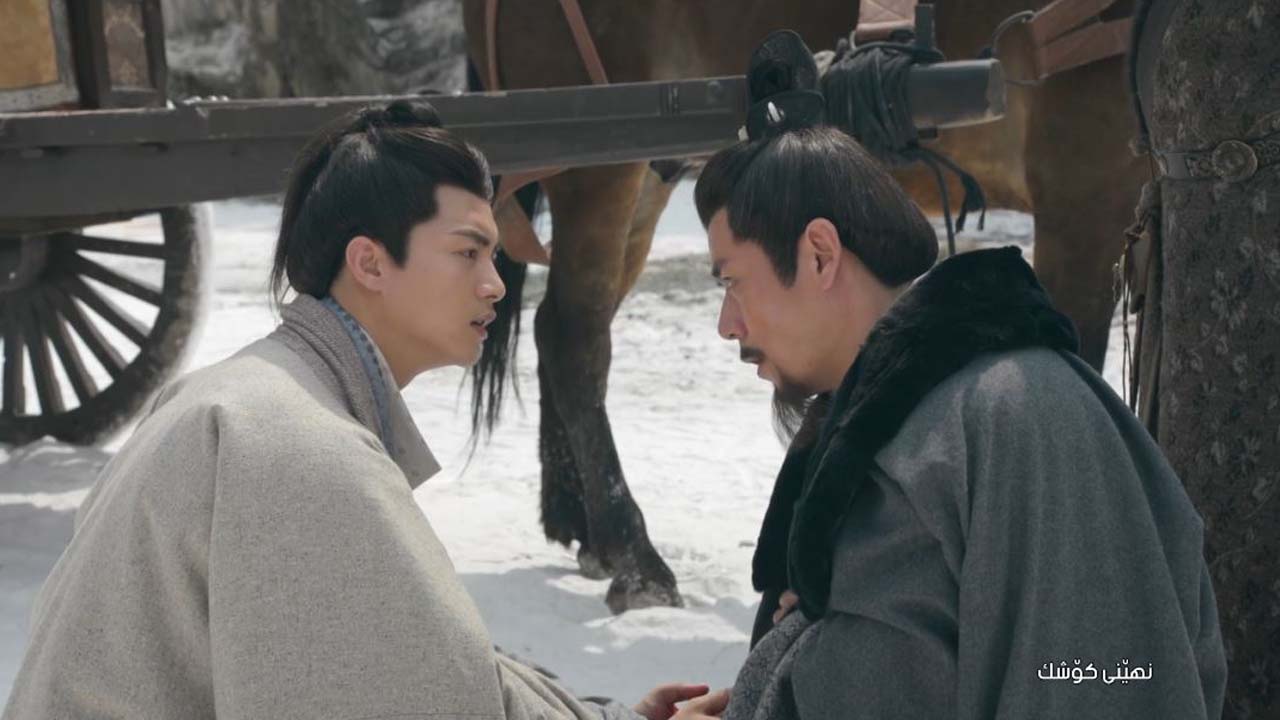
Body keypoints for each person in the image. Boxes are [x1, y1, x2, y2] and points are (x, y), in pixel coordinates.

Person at [2, 100, 727, 720]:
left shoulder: (262, 397)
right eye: (468, 253)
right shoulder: (297, 445)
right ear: (370, 263)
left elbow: (417, 659)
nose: (495, 285)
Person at [694, 122, 1228, 719]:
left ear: (819, 254)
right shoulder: (888, 429)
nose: (726, 324)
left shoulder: (1015, 413)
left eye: (732, 282)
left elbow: (1108, 677)